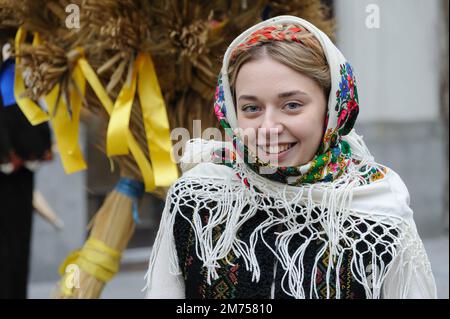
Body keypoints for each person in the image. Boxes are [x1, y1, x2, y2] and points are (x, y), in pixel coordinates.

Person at [145, 15, 437, 299]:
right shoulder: (199, 199)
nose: (269, 127)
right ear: (231, 112)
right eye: (251, 108)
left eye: (292, 105)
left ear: (333, 107)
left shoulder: (378, 207)